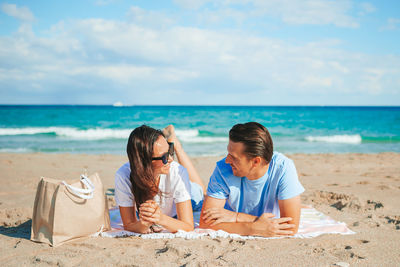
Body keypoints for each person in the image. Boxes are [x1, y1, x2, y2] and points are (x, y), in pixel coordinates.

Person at [199, 122, 304, 237]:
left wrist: (236, 217)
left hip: (231, 220)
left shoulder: (283, 168)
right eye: (228, 153)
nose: (227, 160)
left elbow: (290, 227)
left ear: (255, 161)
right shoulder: (223, 169)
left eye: (233, 157)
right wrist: (251, 228)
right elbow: (205, 223)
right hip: (228, 218)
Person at [115, 125, 205, 234]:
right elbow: (129, 225)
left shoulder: (177, 172)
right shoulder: (124, 175)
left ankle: (176, 145)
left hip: (189, 196)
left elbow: (188, 226)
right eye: (164, 157)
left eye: (170, 151)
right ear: (144, 162)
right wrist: (145, 223)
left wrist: (160, 218)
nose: (171, 159)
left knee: (200, 191)